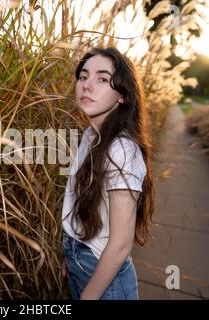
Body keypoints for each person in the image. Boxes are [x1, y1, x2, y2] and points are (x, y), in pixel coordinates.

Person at [61, 46, 155, 300]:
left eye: (102, 79)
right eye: (83, 76)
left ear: (123, 95)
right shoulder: (92, 134)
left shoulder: (121, 149)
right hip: (82, 261)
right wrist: (71, 252)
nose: (87, 86)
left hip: (106, 279)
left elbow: (121, 243)